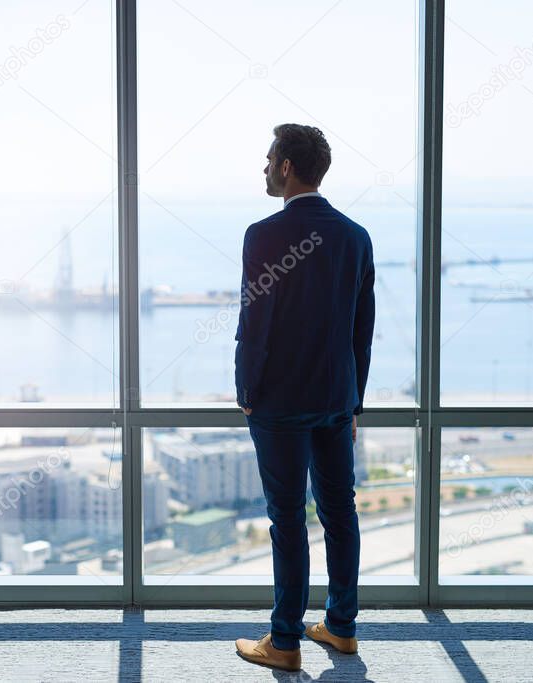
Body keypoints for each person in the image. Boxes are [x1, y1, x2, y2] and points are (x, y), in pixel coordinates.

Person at [233, 123, 375, 672]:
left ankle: (285, 641)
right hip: (336, 398)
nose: (264, 167)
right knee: (341, 511)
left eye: (269, 158)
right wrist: (354, 400)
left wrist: (246, 390)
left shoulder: (263, 234)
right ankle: (341, 628)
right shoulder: (355, 236)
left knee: (287, 518)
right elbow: (361, 329)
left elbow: (256, 323)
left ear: (287, 167)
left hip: (279, 400)